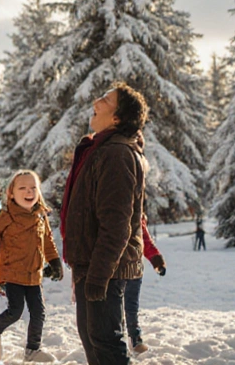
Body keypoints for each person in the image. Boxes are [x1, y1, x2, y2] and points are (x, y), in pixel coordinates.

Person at [60, 83, 150, 365]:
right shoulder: (101, 149)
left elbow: (117, 224)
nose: (96, 101)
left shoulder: (116, 154)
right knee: (93, 339)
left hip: (105, 267)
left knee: (105, 343)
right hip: (92, 264)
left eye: (106, 100)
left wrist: (99, 276)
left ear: (117, 118)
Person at [0, 169, 61, 363]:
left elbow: (48, 241)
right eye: (22, 188)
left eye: (33, 187)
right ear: (11, 194)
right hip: (12, 271)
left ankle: (33, 349)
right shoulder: (7, 216)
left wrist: (55, 262)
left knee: (38, 314)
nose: (29, 191)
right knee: (16, 311)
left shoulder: (41, 216)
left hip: (33, 273)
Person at [125, 215, 165, 353]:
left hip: (134, 268)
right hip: (114, 268)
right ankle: (114, 339)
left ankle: (135, 338)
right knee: (113, 306)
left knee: (131, 305)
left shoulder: (137, 213)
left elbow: (145, 239)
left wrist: (156, 260)